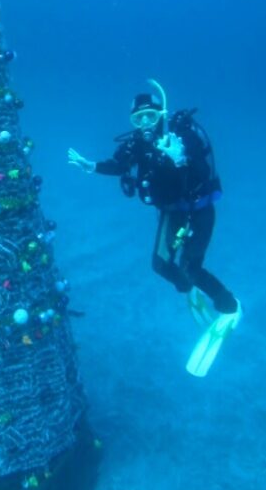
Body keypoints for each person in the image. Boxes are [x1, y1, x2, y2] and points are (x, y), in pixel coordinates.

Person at [68, 79, 241, 376]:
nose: (145, 122)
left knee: (192, 267)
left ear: (162, 113)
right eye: (139, 118)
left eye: (151, 115)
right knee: (160, 265)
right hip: (172, 213)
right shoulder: (137, 143)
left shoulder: (182, 134)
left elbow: (202, 171)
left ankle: (229, 306)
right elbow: (119, 165)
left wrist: (180, 157)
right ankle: (189, 290)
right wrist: (92, 166)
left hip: (199, 211)